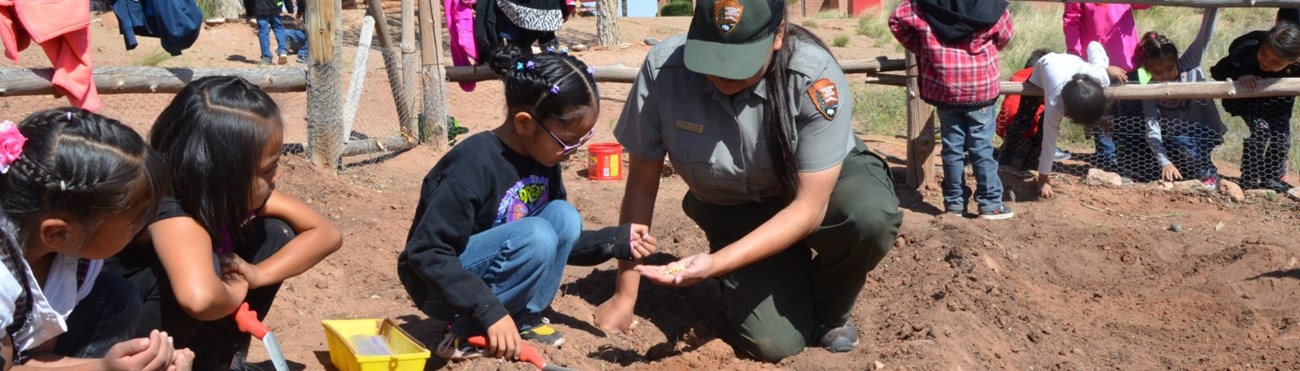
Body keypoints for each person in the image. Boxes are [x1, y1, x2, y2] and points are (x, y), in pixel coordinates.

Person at [599, 0, 902, 362]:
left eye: (741, 60)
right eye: (712, 57)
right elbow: (641, 186)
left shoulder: (811, 75)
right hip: (736, 211)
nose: (724, 72)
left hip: (816, 193)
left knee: (868, 216)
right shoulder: (665, 70)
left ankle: (831, 311)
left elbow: (809, 206)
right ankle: (782, 279)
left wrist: (716, 264)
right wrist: (625, 296)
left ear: (778, 36)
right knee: (774, 344)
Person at [397, 45, 654, 362]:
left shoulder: (543, 157)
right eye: (568, 141)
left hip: (496, 267)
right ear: (524, 123)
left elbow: (559, 243)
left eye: (582, 140)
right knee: (537, 232)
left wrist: (613, 241)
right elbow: (427, 253)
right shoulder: (471, 165)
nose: (573, 151)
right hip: (441, 287)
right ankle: (466, 331)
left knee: (563, 216)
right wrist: (488, 310)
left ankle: (523, 317)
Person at [103, 76, 343, 370]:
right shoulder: (171, 209)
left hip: (181, 324)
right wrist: (236, 289)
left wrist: (256, 273)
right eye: (268, 169)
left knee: (275, 234)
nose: (277, 176)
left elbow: (327, 234)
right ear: (224, 178)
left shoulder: (224, 194)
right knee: (206, 269)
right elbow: (200, 298)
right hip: (116, 341)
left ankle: (216, 360)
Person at [0, 108, 192, 370]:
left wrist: (116, 366)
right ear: (57, 233)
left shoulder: (69, 257)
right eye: (134, 219)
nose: (144, 224)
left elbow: (31, 357)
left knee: (116, 296)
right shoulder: (2, 281)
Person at [890, 0, 1015, 219]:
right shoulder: (992, 5)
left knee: (952, 147)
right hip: (981, 87)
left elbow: (897, 21)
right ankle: (990, 204)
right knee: (982, 147)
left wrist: (922, 46)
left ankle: (954, 204)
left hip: (945, 88)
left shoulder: (922, 4)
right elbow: (1004, 36)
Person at [1122, 9, 1223, 188]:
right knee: (1154, 165)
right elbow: (1151, 128)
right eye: (1157, 72)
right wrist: (1165, 162)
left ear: (1177, 61)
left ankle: (1208, 175)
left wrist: (1212, 6)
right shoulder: (1149, 87)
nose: (1166, 76)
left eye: (1170, 69)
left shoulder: (1187, 65)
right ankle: (1187, 173)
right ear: (1147, 71)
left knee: (1185, 145)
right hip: (1171, 137)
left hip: (1202, 129)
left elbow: (1205, 36)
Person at [1210, 21, 1300, 192]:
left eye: (1276, 62)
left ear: (1292, 61)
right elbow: (1217, 71)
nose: (1266, 62)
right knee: (1261, 130)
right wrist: (1239, 75)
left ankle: (1271, 178)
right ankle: (1249, 178)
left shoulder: (1297, 66)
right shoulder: (1246, 51)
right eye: (1264, 53)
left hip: (1280, 105)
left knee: (1282, 137)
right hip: (1249, 103)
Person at [1063, 3, 1148, 171]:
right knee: (1101, 115)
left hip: (1128, 60)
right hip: (1096, 63)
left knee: (1131, 114)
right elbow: (1071, 22)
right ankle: (1107, 162)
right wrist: (1078, 59)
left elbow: (1144, 4)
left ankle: (1130, 161)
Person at [1030, 41, 1112, 198]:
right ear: (1067, 112)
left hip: (1069, 66)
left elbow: (1094, 45)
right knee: (1029, 116)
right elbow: (1050, 141)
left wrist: (1106, 66)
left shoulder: (1101, 77)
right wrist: (1042, 181)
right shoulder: (1055, 102)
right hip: (1045, 65)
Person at [997, 49, 1051, 177]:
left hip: (1003, 125)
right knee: (1041, 127)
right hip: (1028, 128)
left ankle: (1005, 163)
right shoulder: (1043, 78)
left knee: (1012, 145)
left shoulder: (1017, 75)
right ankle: (1029, 166)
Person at [244, 0, 291, 65]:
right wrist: (290, 7)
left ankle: (266, 57)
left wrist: (249, 12)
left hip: (259, 7)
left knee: (263, 30)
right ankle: (283, 51)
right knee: (278, 28)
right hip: (275, 6)